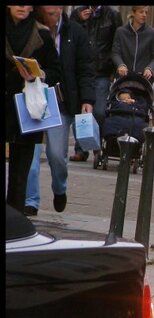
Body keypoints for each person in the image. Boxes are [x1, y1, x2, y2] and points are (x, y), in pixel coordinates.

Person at [24, 6, 95, 217]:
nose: (52, 14)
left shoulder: (75, 32)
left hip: (60, 102)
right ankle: (31, 201)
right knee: (31, 156)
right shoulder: (32, 29)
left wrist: (87, 99)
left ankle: (59, 187)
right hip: (32, 99)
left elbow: (85, 67)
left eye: (55, 10)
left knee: (56, 155)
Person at [5, 5, 62, 214]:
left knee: (20, 174)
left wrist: (39, 74)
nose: (22, 7)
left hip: (27, 108)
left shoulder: (42, 34)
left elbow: (56, 70)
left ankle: (15, 221)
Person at [69, 5, 122, 162]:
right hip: (80, 71)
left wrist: (114, 69)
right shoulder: (77, 14)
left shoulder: (112, 15)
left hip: (101, 71)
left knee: (98, 111)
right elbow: (69, 36)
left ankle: (97, 146)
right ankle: (81, 149)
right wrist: (79, 20)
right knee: (80, 113)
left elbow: (116, 44)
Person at [111, 6, 154, 81]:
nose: (144, 15)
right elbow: (115, 53)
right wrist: (120, 65)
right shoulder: (120, 32)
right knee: (124, 93)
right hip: (124, 78)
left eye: (146, 12)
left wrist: (150, 68)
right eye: (141, 12)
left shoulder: (153, 34)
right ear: (133, 13)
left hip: (144, 79)